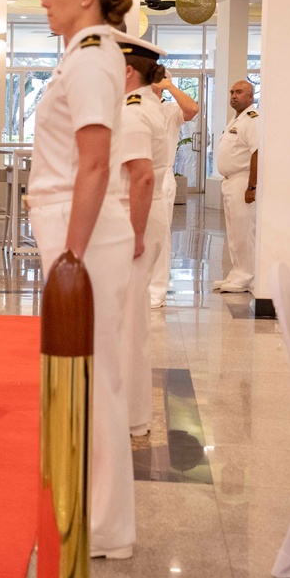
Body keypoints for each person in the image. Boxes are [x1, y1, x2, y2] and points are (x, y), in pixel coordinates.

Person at [25, 0, 136, 558]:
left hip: (84, 232)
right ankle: (96, 517)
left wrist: (70, 257)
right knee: (84, 375)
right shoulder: (80, 54)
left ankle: (102, 527)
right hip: (75, 226)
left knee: (93, 377)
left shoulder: (92, 56)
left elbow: (94, 166)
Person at [112, 31, 168, 438]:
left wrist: (133, 234)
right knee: (129, 318)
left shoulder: (132, 110)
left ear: (128, 71)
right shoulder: (146, 105)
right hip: (145, 213)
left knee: (130, 319)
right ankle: (129, 411)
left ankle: (131, 416)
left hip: (137, 216)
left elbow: (142, 177)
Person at [149, 71, 199, 308]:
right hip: (132, 175)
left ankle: (156, 290)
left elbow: (192, 109)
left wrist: (169, 86)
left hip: (160, 176)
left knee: (159, 234)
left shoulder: (169, 109)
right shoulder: (133, 106)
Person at [215, 80, 260, 293]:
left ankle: (246, 276)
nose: (234, 95)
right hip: (230, 181)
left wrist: (252, 186)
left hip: (243, 181)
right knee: (234, 232)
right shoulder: (236, 119)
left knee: (243, 232)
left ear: (250, 97)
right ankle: (236, 273)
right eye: (232, 92)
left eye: (239, 92)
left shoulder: (253, 120)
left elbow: (257, 152)